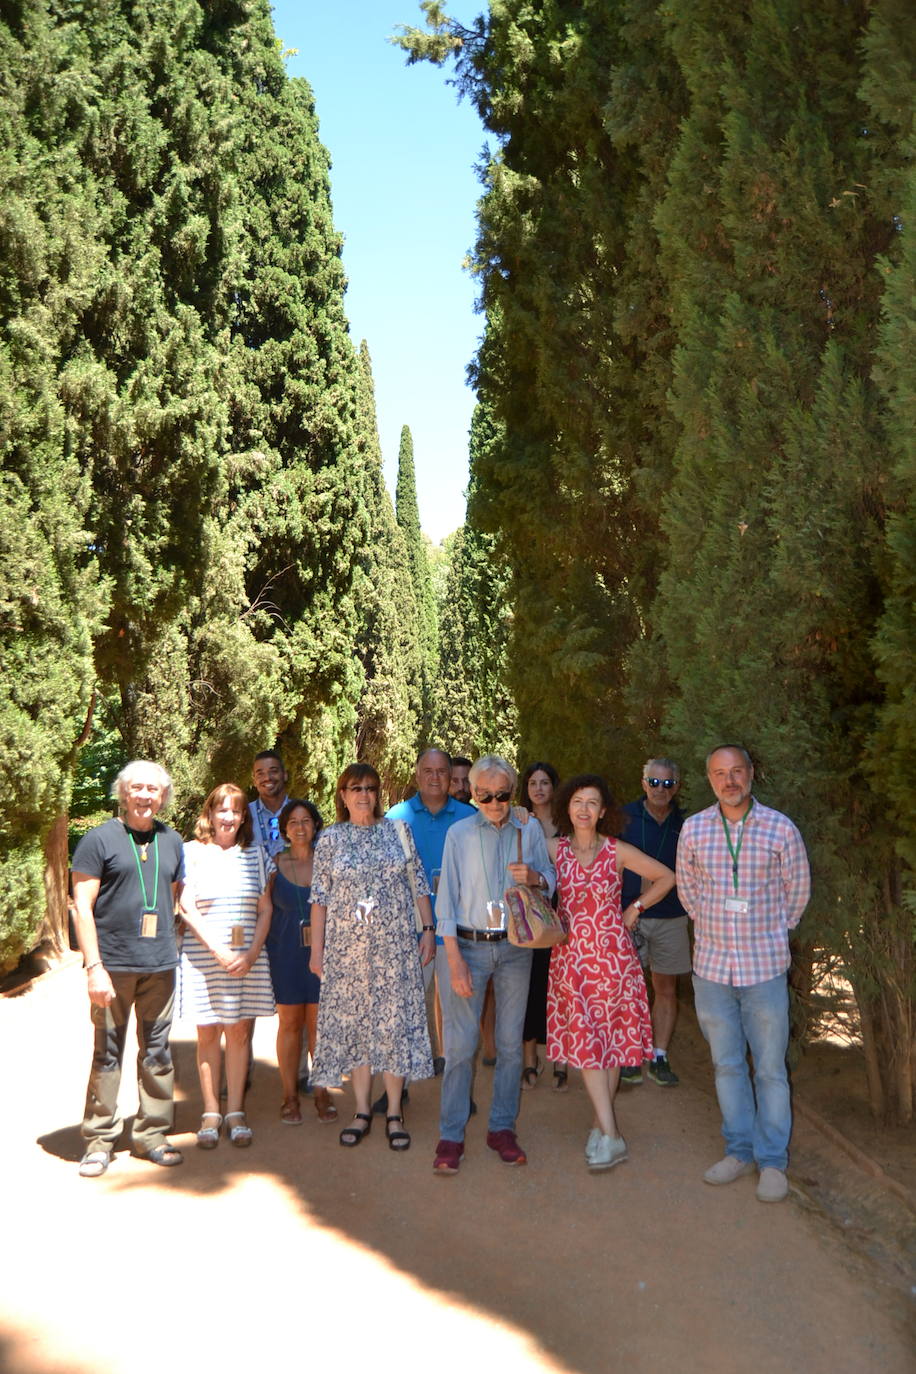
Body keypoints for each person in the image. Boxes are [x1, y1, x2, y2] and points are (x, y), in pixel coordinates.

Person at [677, 745, 810, 1204]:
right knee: (727, 1065)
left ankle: (773, 1162)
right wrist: (717, 927)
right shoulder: (694, 829)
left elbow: (798, 892)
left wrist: (771, 931)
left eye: (737, 772)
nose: (729, 780)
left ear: (751, 774)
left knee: (771, 1069)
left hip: (764, 970)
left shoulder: (780, 829)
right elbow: (689, 892)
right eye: (720, 773)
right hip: (712, 969)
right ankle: (739, 1150)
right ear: (709, 779)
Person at [433, 755, 555, 1174]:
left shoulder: (528, 827)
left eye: (503, 795)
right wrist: (453, 960)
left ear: (512, 792)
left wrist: (536, 879)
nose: (495, 802)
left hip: (516, 948)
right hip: (466, 947)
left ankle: (501, 1128)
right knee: (460, 1047)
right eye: (485, 795)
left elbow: (552, 880)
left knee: (507, 1046)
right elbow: (445, 899)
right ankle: (451, 1134)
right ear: (473, 792)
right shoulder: (459, 833)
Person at [546, 775, 675, 1171]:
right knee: (587, 1044)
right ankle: (610, 1132)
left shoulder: (616, 850)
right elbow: (523, 869)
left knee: (612, 1043)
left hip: (614, 959)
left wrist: (635, 907)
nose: (584, 808)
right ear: (567, 807)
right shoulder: (553, 849)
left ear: (603, 811)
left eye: (592, 803)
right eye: (577, 801)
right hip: (571, 961)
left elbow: (666, 877)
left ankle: (605, 1130)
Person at [309, 763, 435, 1152]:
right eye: (355, 788)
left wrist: (428, 929)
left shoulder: (398, 832)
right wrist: (317, 950)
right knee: (359, 1031)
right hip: (347, 955)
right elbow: (319, 899)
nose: (364, 794)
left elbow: (418, 884)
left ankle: (394, 1111)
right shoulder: (330, 839)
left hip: (395, 950)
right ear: (343, 795)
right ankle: (362, 1110)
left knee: (394, 1028)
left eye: (370, 787)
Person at [70, 761, 185, 1177]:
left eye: (153, 789)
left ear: (163, 796)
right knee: (108, 1052)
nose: (145, 796)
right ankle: (99, 1140)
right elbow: (81, 906)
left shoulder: (172, 840)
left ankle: (153, 1134)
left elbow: (173, 897)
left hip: (160, 967)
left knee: (157, 1051)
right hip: (113, 968)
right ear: (123, 792)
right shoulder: (98, 840)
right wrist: (93, 967)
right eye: (137, 788)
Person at [178, 783, 274, 1148]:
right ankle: (209, 1112)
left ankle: (235, 1112)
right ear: (210, 813)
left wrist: (249, 954)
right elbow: (186, 907)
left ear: (243, 817)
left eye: (236, 811)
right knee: (207, 1036)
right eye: (222, 810)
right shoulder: (192, 853)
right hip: (205, 959)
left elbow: (265, 909)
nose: (229, 817)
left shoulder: (257, 855)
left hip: (247, 960)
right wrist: (218, 950)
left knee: (238, 1034)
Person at [386, 748, 476, 1081]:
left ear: (451, 776)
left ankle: (457, 1087)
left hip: (457, 931)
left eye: (442, 772)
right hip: (409, 930)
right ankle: (399, 1088)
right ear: (417, 774)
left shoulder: (469, 817)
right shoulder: (396, 817)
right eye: (428, 771)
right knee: (405, 1009)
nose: (435, 777)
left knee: (457, 1015)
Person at [264, 799, 336, 1125]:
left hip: (323, 954)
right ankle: (289, 1096)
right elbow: (262, 912)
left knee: (320, 1026)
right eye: (293, 822)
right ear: (284, 829)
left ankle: (322, 1092)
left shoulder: (329, 863)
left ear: (316, 826)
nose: (300, 827)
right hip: (286, 955)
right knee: (290, 1025)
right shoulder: (272, 865)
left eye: (306, 820)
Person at [619, 757, 689, 1087]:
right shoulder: (623, 817)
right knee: (629, 990)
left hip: (671, 916)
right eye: (655, 782)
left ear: (677, 786)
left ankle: (659, 1055)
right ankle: (630, 1054)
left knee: (665, 989)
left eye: (668, 784)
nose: (661, 790)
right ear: (644, 782)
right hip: (629, 914)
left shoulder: (686, 822)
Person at [518, 762, 568, 1091]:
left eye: (545, 782)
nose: (539, 788)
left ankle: (561, 1059)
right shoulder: (520, 822)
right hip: (533, 915)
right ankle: (529, 1061)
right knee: (531, 987)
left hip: (567, 914)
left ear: (554, 787)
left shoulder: (569, 824)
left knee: (562, 989)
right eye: (533, 782)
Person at [249, 750, 290, 858]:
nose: (267, 778)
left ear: (284, 775)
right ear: (254, 780)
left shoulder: (301, 813)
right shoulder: (244, 815)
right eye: (260, 773)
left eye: (273, 771)